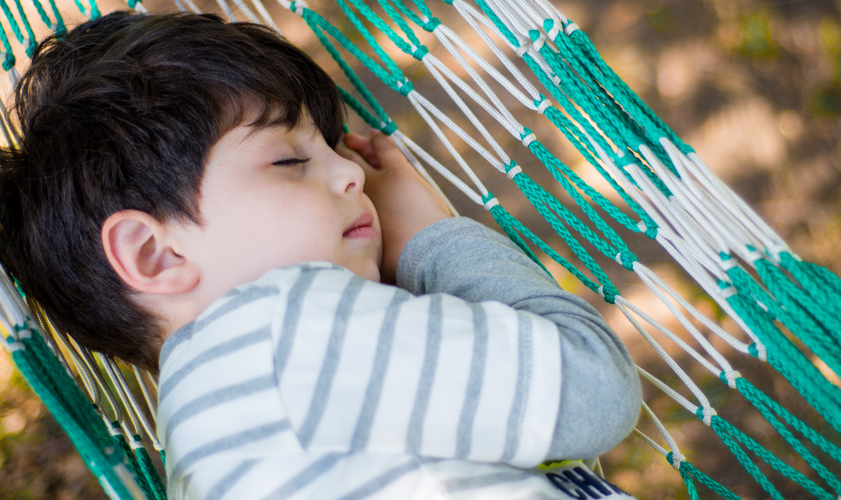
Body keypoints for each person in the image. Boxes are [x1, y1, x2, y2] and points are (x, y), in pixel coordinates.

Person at [0, 11, 642, 499]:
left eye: (334, 147)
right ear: (155, 254)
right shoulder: (282, 328)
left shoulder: (200, 440)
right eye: (290, 160)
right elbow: (592, 392)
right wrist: (429, 238)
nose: (351, 175)